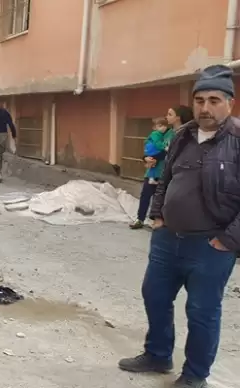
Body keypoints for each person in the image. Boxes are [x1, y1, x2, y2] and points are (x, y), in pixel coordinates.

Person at [117, 65, 239, 388]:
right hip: (168, 238)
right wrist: (157, 217)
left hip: (211, 247)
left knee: (202, 312)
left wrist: (228, 240)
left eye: (214, 100)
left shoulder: (237, 141)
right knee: (154, 295)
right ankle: (157, 355)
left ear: (230, 103)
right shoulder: (183, 134)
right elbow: (165, 179)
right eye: (200, 100)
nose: (205, 107)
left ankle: (195, 375)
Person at [130, 116, 178, 229]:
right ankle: (140, 219)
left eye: (170, 114)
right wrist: (146, 157)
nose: (159, 127)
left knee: (160, 198)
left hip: (164, 172)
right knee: (145, 196)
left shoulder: (172, 135)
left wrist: (152, 158)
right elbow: (150, 148)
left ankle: (158, 221)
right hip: (151, 171)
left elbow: (168, 152)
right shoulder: (155, 134)